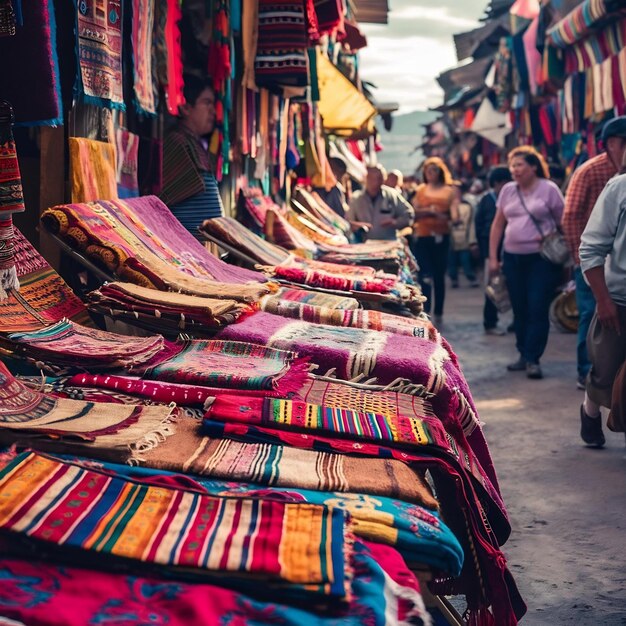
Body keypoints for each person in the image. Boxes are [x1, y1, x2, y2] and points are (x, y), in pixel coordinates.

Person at [488, 146, 565, 379]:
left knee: (537, 306)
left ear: (533, 166)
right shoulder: (508, 191)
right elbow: (498, 224)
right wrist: (493, 257)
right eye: (513, 165)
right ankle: (523, 353)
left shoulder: (549, 189)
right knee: (519, 308)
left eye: (520, 164)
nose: (515, 169)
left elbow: (564, 222)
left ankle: (533, 358)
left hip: (541, 259)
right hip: (512, 258)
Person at [562, 116, 626, 390]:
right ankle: (589, 376)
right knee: (593, 318)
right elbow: (572, 216)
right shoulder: (591, 172)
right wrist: (581, 262)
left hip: (616, 265)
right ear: (612, 144)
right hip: (595, 264)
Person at [578, 134, 626, 448]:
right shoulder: (619, 188)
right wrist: (603, 299)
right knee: (607, 372)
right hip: (619, 298)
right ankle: (589, 410)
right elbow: (591, 248)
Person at [160, 74, 223, 238]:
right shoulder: (177, 142)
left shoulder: (194, 143)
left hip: (201, 248)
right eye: (206, 102)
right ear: (186, 107)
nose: (212, 110)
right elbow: (164, 200)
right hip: (184, 247)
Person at [411, 157, 459, 323]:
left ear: (440, 172)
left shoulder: (449, 191)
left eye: (434, 170)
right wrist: (428, 211)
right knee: (425, 274)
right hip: (423, 235)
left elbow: (454, 215)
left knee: (439, 275)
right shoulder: (421, 190)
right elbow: (413, 211)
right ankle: (427, 308)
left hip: (441, 236)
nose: (431, 174)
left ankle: (438, 310)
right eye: (428, 171)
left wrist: (445, 216)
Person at [475, 165, 512, 335]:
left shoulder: (513, 197)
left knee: (513, 287)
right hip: (491, 250)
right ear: (494, 184)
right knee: (492, 288)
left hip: (511, 249)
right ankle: (490, 322)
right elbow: (479, 224)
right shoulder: (486, 200)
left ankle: (516, 322)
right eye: (500, 183)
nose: (503, 186)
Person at [346, 164, 414, 241]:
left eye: (378, 178)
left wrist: (395, 222)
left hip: (388, 242)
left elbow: (409, 214)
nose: (375, 182)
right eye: (371, 178)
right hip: (365, 245)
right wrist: (356, 226)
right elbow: (348, 223)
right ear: (366, 179)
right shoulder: (356, 198)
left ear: (383, 180)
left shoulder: (392, 195)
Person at [448, 182, 479, 288]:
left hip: (464, 237)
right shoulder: (448, 207)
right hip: (451, 237)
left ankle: (471, 276)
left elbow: (471, 224)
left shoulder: (467, 206)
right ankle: (454, 278)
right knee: (452, 261)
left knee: (465, 260)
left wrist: (472, 240)